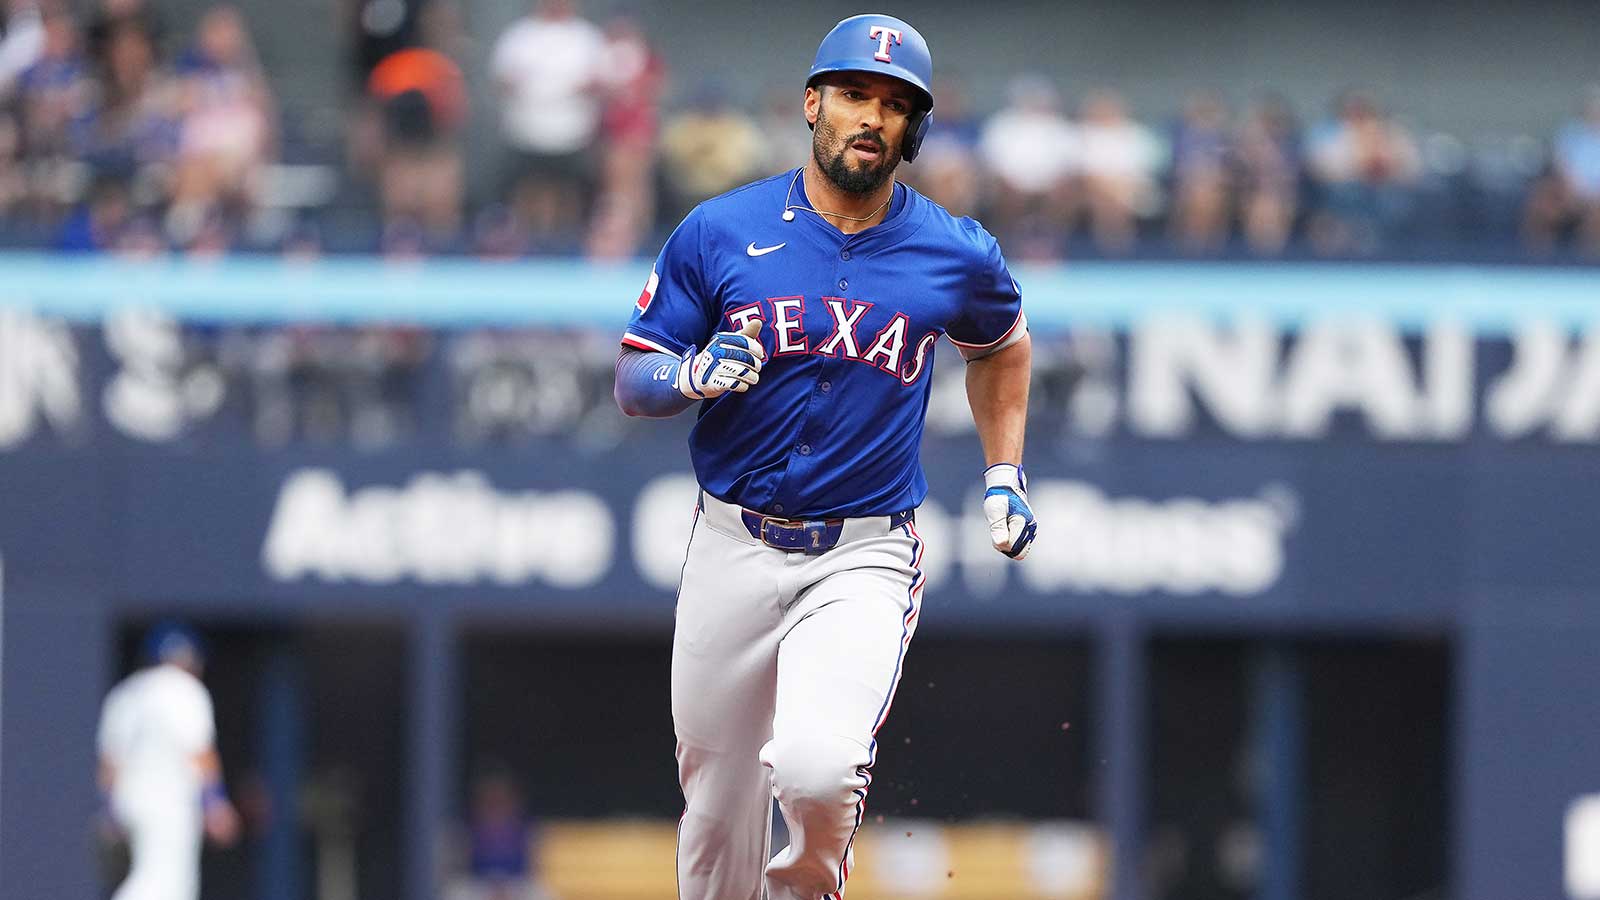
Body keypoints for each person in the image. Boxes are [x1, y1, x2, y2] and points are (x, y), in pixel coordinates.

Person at [612, 14, 1037, 899]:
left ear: (913, 129)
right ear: (813, 104)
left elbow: (1002, 345)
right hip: (730, 543)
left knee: (818, 770)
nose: (870, 116)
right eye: (852, 94)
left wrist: (1004, 471)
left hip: (861, 552)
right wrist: (688, 374)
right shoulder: (721, 228)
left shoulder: (955, 252)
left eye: (894, 104)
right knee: (715, 814)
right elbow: (633, 376)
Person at [97, 621, 240, 900]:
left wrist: (108, 809)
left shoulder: (126, 693)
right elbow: (199, 751)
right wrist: (215, 803)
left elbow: (109, 763)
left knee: (156, 879)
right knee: (165, 884)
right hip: (169, 803)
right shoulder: (184, 689)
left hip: (130, 802)